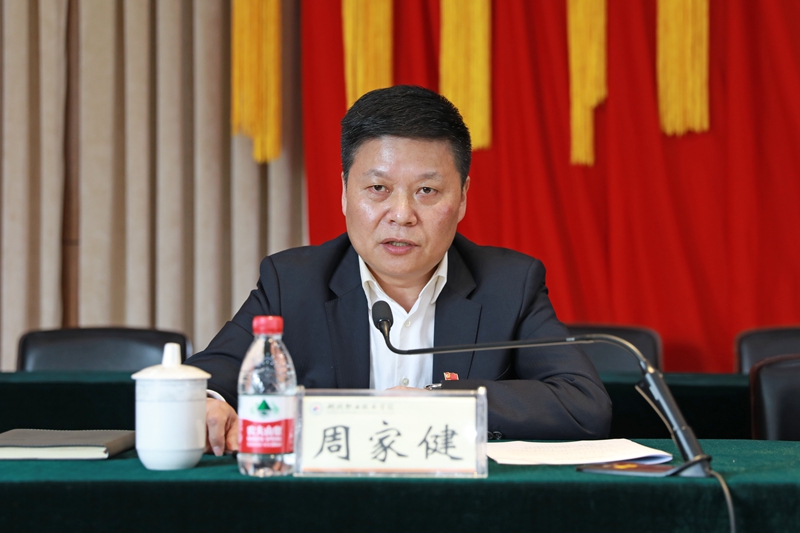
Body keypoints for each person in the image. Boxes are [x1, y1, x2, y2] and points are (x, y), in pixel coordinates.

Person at [186, 85, 611, 456]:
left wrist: (442, 402)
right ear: (344, 192)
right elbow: (209, 377)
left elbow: (584, 405)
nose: (402, 214)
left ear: (462, 197)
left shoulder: (509, 285)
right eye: (378, 188)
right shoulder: (294, 282)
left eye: (427, 190)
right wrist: (206, 402)